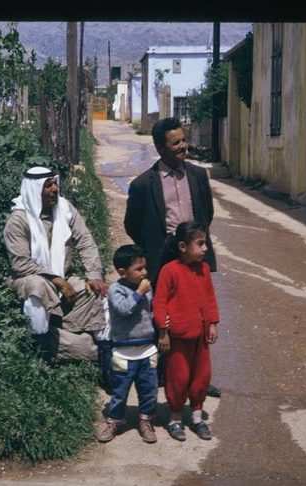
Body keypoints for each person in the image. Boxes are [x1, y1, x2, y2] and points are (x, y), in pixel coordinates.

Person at [124, 117, 221, 398]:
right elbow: (132, 224)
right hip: (163, 255)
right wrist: (154, 247)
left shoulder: (198, 176)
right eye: (176, 143)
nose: (183, 147)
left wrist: (194, 244)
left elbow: (207, 214)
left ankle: (197, 377)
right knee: (164, 315)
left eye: (183, 140)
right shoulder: (143, 184)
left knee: (198, 312)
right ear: (159, 147)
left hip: (194, 253)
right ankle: (165, 375)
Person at [3, 166, 108, 362]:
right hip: (27, 282)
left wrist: (94, 274)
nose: (54, 189)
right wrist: (58, 280)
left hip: (62, 280)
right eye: (48, 186)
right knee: (37, 285)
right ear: (35, 190)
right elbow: (21, 265)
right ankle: (40, 339)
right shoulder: (18, 220)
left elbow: (85, 241)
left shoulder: (64, 208)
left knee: (90, 289)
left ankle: (65, 332)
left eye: (55, 184)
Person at [152, 221, 220, 442]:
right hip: (178, 339)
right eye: (200, 244)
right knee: (178, 378)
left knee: (201, 378)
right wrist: (163, 331)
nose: (205, 249)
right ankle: (175, 418)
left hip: (200, 337)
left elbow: (209, 298)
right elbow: (159, 302)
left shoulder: (204, 270)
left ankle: (198, 418)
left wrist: (212, 323)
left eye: (205, 243)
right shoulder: (169, 271)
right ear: (182, 246)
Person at [95, 244, 158, 444]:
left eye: (145, 268)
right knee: (119, 391)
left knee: (149, 390)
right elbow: (124, 309)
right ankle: (114, 421)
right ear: (122, 272)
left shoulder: (146, 287)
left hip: (147, 349)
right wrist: (139, 292)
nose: (144, 272)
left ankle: (146, 421)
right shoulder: (116, 289)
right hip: (123, 352)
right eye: (138, 269)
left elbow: (149, 311)